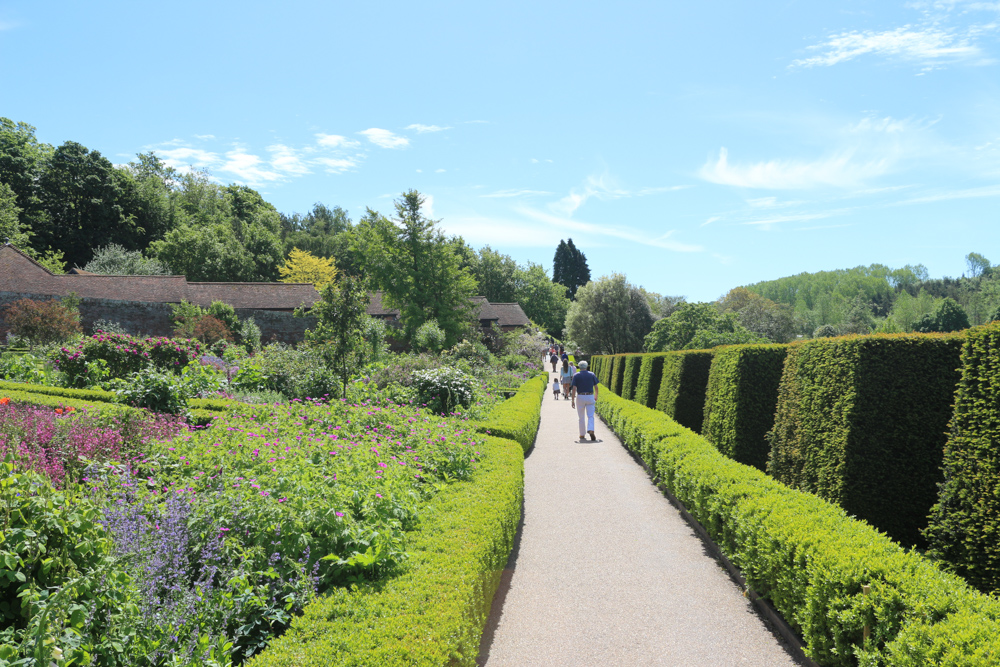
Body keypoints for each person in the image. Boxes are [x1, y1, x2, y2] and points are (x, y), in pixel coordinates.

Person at [570, 360, 600, 441]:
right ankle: (591, 429)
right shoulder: (591, 374)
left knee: (581, 417)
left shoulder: (576, 375)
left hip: (580, 396)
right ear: (586, 366)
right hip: (590, 396)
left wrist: (572, 400)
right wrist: (596, 395)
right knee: (590, 415)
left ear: (579, 367)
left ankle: (582, 434)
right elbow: (596, 387)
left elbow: (574, 389)